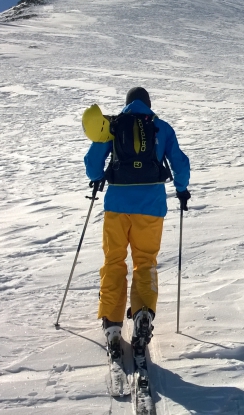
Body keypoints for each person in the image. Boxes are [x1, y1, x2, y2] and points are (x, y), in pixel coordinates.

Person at [84, 87, 191, 358]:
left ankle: (112, 322)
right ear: (148, 104)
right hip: (152, 206)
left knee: (114, 261)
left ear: (127, 103)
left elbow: (92, 161)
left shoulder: (114, 124)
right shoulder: (161, 127)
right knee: (145, 261)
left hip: (117, 206)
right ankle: (144, 312)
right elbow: (180, 162)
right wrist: (181, 188)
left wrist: (97, 177)